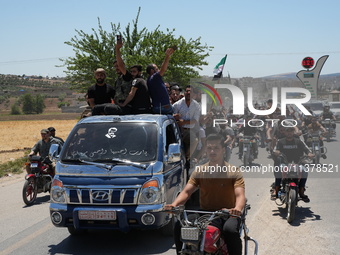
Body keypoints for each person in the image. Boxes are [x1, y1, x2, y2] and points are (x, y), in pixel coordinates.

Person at [166, 133, 246, 255]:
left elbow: (240, 195)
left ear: (223, 150)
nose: (212, 151)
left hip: (227, 214)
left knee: (230, 231)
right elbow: (187, 192)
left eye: (216, 148)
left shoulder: (233, 171)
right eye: (209, 148)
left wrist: (237, 209)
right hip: (205, 213)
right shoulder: (199, 171)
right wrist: (174, 205)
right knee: (179, 225)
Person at [273, 126, 314, 202]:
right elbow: (276, 149)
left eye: (291, 131)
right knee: (278, 170)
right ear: (284, 132)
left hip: (297, 163)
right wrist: (276, 152)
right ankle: (276, 189)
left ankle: (301, 190)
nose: (289, 133)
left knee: (304, 171)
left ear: (293, 132)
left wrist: (309, 154)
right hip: (284, 163)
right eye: (287, 131)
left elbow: (306, 149)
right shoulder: (280, 141)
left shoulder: (298, 141)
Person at [115, 40, 151, 114]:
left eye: (134, 72)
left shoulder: (136, 80)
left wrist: (117, 49)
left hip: (134, 108)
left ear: (139, 72)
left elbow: (121, 65)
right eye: (131, 72)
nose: (132, 74)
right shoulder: (140, 80)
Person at [173, 85, 200, 163]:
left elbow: (195, 120)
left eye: (190, 91)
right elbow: (172, 116)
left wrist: (183, 122)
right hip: (178, 129)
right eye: (187, 91)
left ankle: (186, 158)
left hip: (189, 130)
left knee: (195, 141)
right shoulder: (177, 104)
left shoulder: (196, 105)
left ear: (194, 94)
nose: (188, 93)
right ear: (184, 93)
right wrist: (174, 117)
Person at [146, 47, 175, 114]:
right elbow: (163, 69)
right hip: (164, 107)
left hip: (156, 107)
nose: (158, 70)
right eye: (156, 68)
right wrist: (167, 56)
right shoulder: (155, 77)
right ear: (152, 71)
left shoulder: (149, 80)